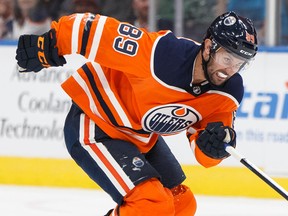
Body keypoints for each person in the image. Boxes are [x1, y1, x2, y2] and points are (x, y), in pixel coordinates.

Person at [15, 11, 258, 215]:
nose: (231, 69)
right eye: (227, 58)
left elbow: (206, 154)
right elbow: (99, 30)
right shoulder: (163, 55)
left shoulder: (228, 92)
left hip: (138, 137)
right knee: (150, 204)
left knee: (181, 204)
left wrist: (213, 146)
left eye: (240, 63)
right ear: (208, 47)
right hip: (96, 122)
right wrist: (52, 43)